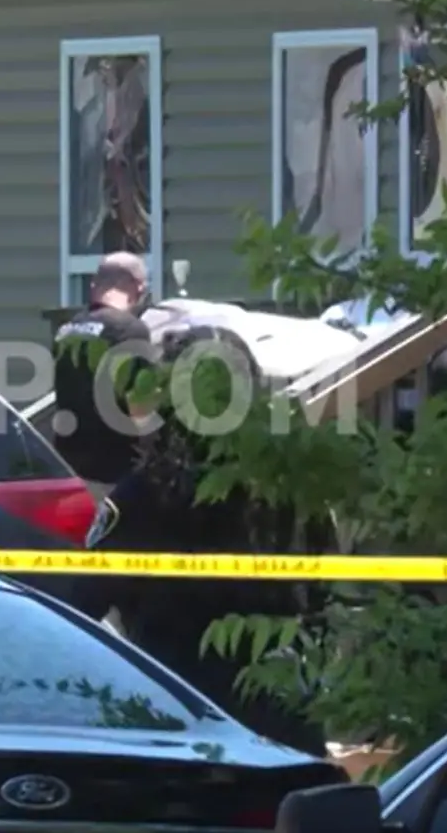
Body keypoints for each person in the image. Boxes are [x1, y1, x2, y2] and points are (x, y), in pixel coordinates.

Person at [68, 323, 335, 755]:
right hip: (284, 723)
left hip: (177, 720)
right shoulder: (296, 493)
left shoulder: (143, 497)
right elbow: (326, 596)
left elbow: (80, 607)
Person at [53, 252, 155, 497]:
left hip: (70, 469)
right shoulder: (130, 331)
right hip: (114, 473)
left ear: (93, 286)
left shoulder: (67, 331)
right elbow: (139, 407)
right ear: (138, 288)